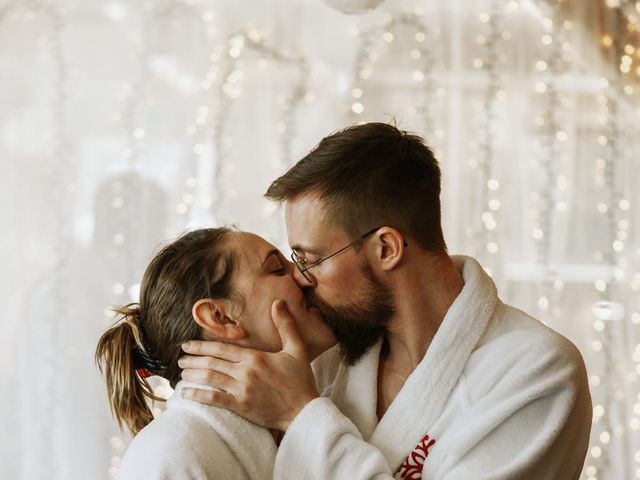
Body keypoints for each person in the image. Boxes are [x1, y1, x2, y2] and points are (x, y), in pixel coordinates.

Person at [178, 122, 593, 479]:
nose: (300, 281)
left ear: (386, 249)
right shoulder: (329, 355)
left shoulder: (538, 370)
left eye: (310, 259)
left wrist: (299, 414)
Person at [95, 227, 336, 479]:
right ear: (220, 318)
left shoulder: (304, 420)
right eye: (277, 269)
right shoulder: (171, 455)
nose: (304, 276)